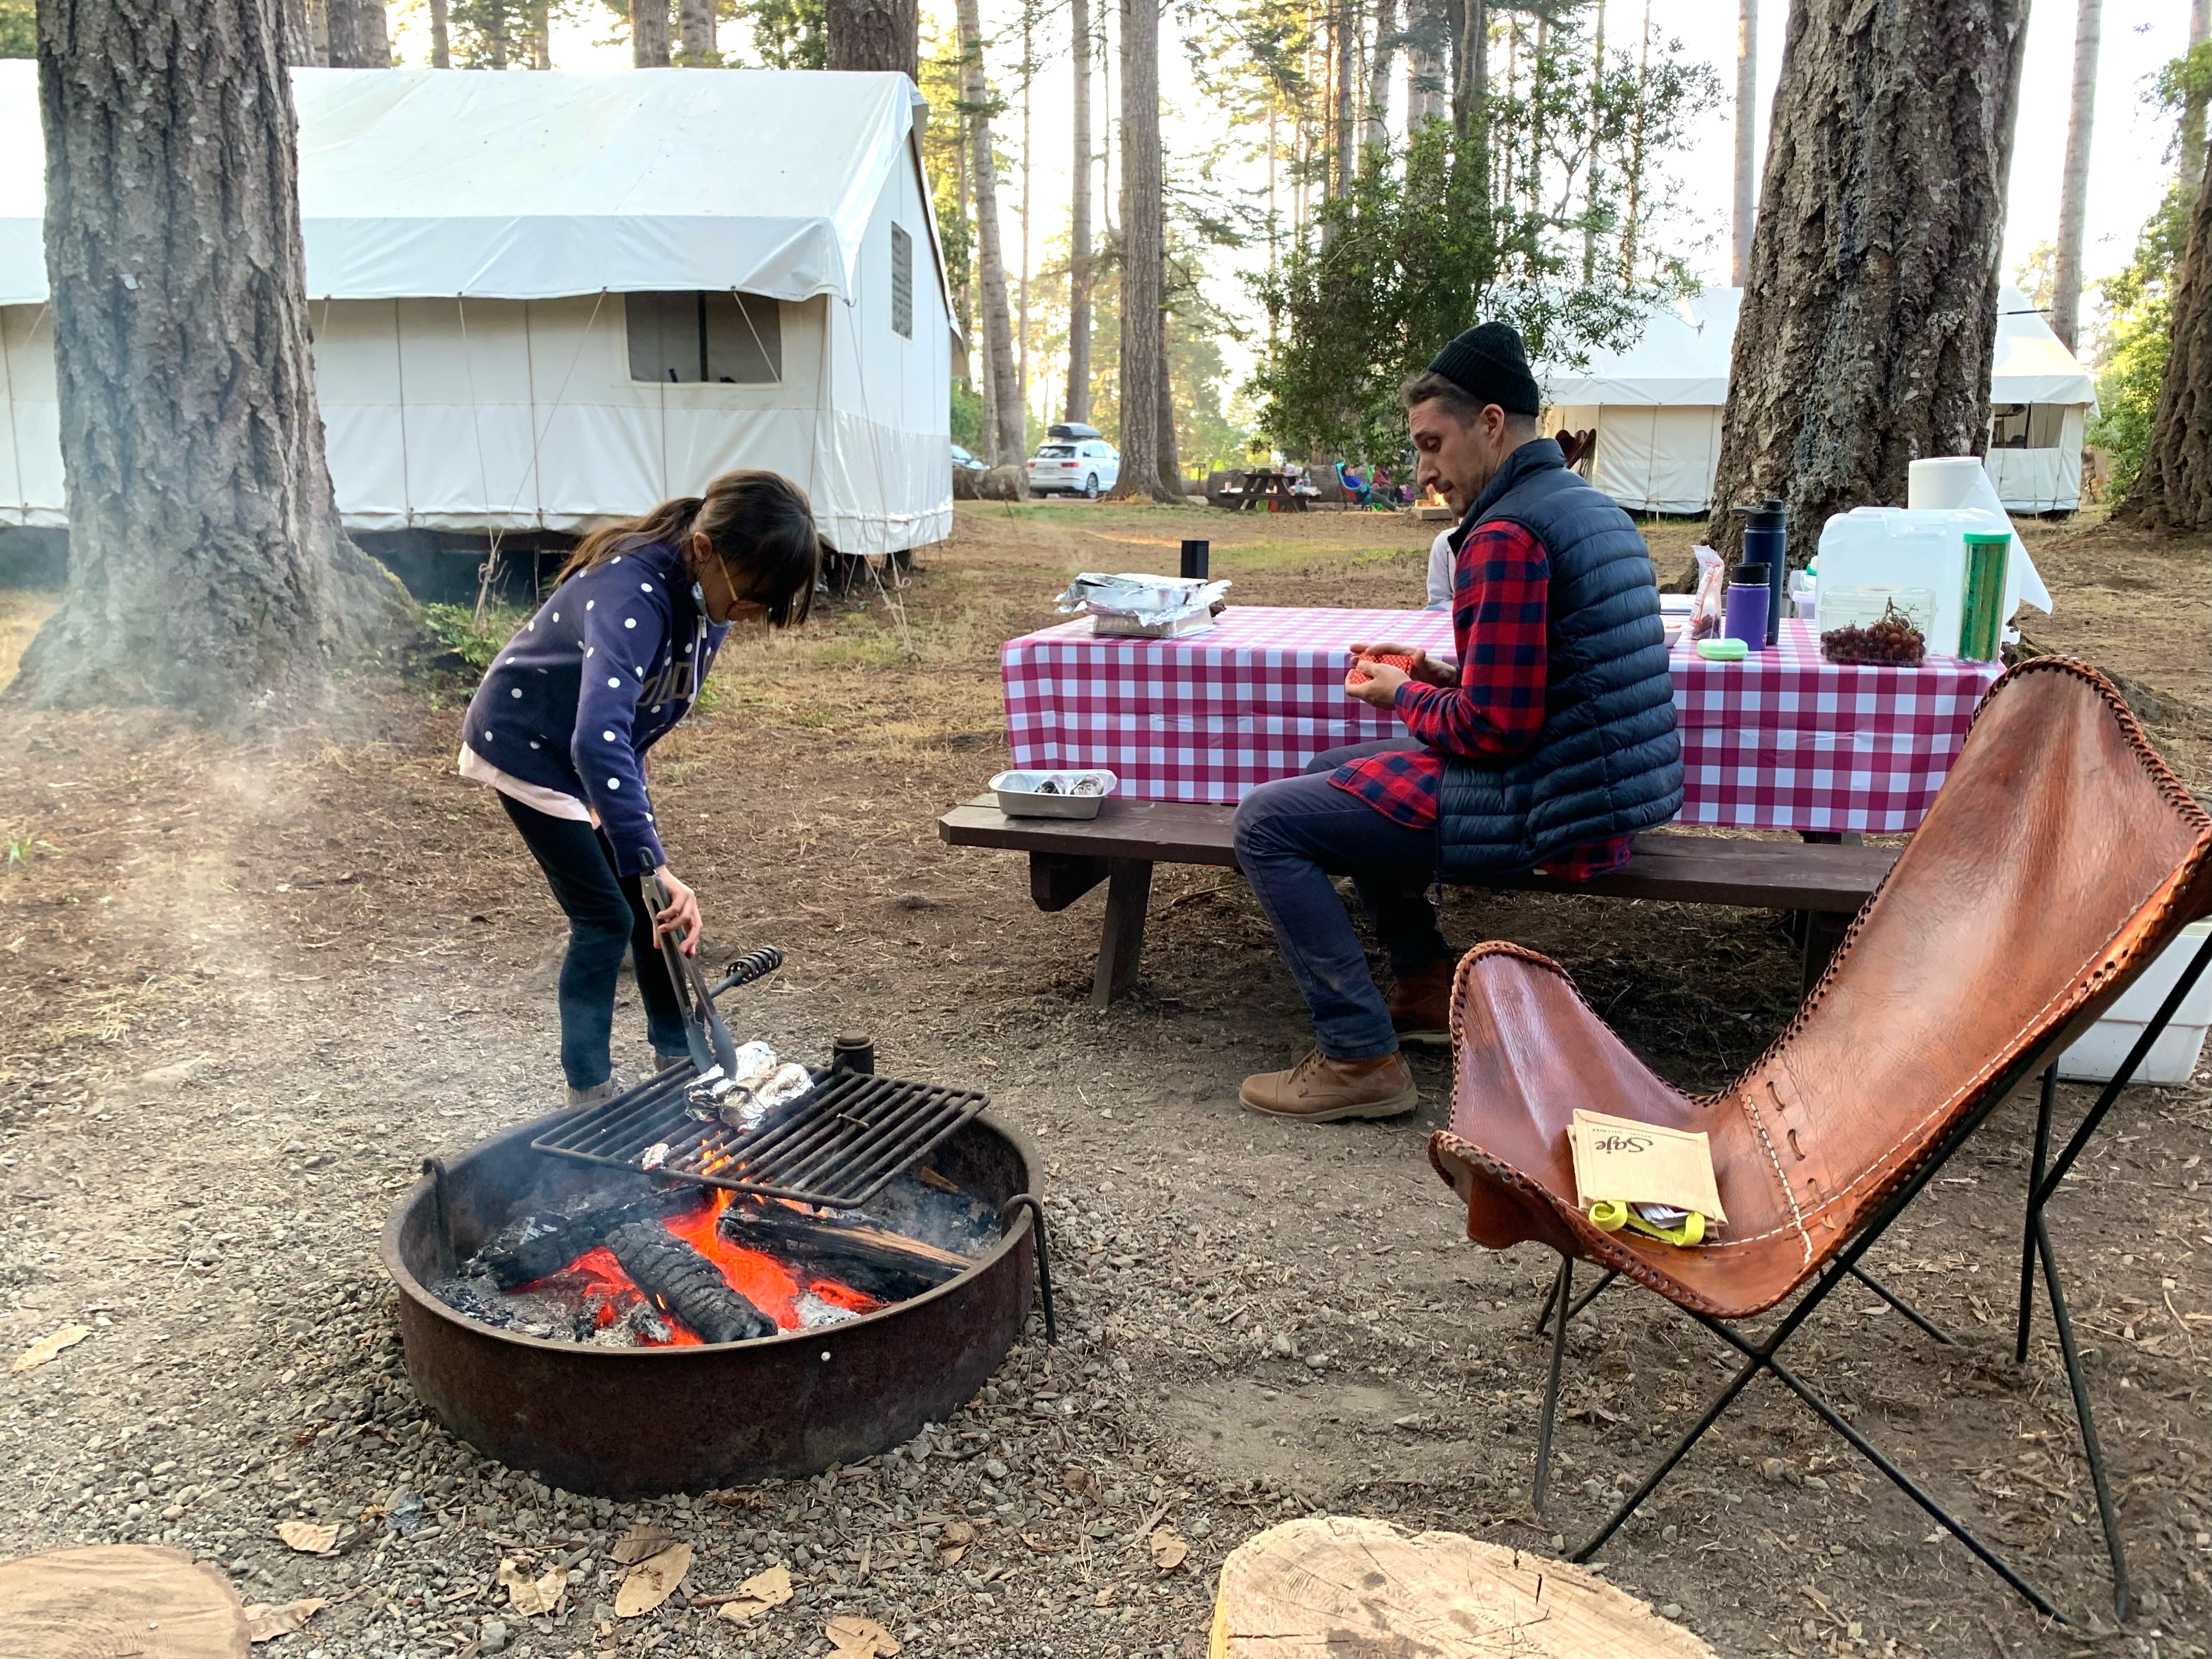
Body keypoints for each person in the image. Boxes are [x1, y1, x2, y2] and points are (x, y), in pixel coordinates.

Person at [1232, 322, 1683, 1123]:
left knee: (1267, 822)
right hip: (1594, 786)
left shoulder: (1506, 533)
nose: (1425, 470)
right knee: (1334, 771)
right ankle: (1424, 981)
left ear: (1491, 424)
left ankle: (1359, 1058)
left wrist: (1400, 697)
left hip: (1548, 805)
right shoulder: (1586, 505)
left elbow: (1493, 732)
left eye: (1432, 444)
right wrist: (1443, 675)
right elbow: (1548, 680)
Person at [456, 471, 821, 1107]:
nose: (754, 613)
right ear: (705, 550)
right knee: (605, 918)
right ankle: (589, 1089)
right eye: (753, 596)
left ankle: (678, 1056)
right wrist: (652, 859)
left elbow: (636, 722)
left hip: (589, 759)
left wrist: (649, 859)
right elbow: (597, 736)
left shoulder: (709, 602)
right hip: (528, 747)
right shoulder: (629, 590)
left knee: (657, 910)